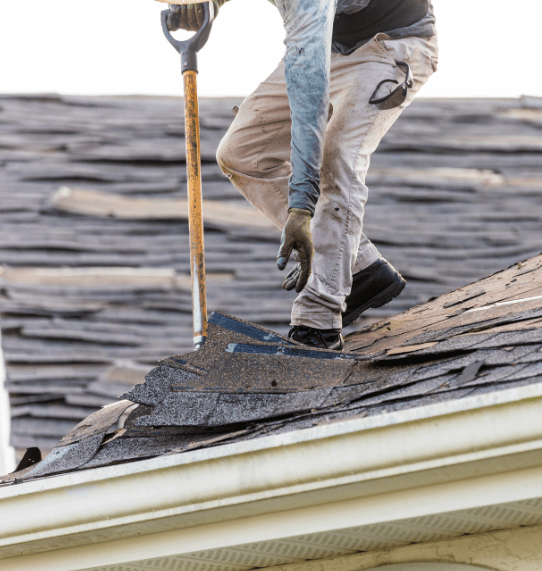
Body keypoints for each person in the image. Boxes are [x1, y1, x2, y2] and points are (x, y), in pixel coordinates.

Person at [168, 0, 438, 350]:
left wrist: (301, 206)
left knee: (337, 156)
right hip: (330, 43)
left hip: (391, 45)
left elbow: (308, 100)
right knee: (241, 152)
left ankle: (318, 324)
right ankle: (360, 269)